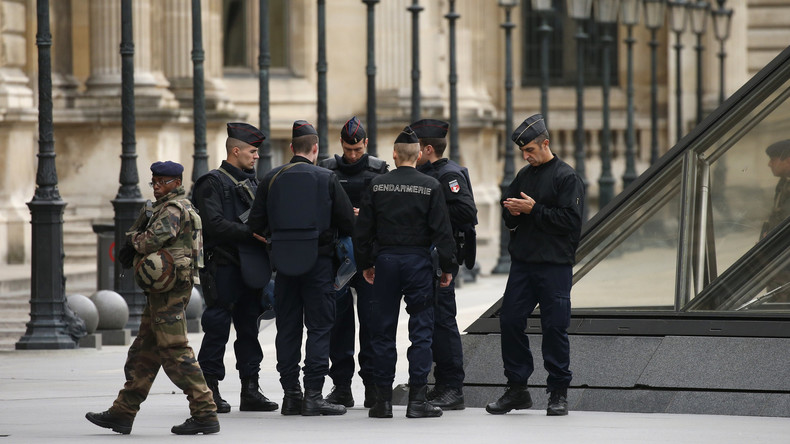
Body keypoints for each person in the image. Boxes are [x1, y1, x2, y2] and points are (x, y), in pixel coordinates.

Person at [86, 161, 219, 435]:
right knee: (144, 351)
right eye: (154, 181)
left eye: (163, 182)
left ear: (177, 182)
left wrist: (132, 242)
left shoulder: (172, 209)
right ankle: (123, 411)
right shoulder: (173, 206)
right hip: (163, 289)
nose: (157, 186)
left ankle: (205, 412)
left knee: (174, 350)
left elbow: (150, 241)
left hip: (169, 290)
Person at [248, 120, 355, 416]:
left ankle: (291, 395)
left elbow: (255, 224)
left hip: (283, 265)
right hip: (319, 264)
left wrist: (277, 237)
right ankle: (313, 395)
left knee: (288, 329)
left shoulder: (271, 178)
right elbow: (348, 222)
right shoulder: (326, 178)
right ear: (316, 149)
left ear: (292, 148)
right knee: (320, 328)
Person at [354, 126, 457, 419]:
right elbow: (442, 232)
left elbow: (363, 232)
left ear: (395, 155)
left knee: (382, 332)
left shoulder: (377, 184)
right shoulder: (431, 186)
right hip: (418, 263)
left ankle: (383, 402)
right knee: (421, 331)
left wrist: (366, 265)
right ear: (417, 155)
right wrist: (448, 267)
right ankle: (417, 400)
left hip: (386, 262)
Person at [485, 114, 584, 417]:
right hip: (524, 265)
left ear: (546, 143)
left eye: (530, 150)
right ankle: (517, 389)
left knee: (554, 327)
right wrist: (513, 212)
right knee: (510, 321)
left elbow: (570, 223)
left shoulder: (566, 177)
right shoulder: (525, 176)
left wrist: (533, 209)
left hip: (554, 266)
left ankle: (558, 393)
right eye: (523, 152)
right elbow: (509, 210)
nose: (526, 156)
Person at [192, 122, 278, 414]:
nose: (256, 157)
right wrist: (250, 233)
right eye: (252, 151)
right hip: (224, 266)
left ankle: (250, 389)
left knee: (249, 329)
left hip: (250, 267)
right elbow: (213, 225)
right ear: (235, 150)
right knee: (217, 327)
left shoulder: (254, 182)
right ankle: (209, 390)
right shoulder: (211, 183)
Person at [318, 116, 388, 408]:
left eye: (357, 149)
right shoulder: (326, 169)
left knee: (372, 324)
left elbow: (389, 211)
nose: (352, 155)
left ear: (366, 144)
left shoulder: (379, 169)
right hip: (338, 257)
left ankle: (372, 386)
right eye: (348, 149)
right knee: (339, 325)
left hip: (369, 255)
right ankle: (342, 386)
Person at [412, 118, 477, 411]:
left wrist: (432, 203)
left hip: (441, 259)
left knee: (443, 323)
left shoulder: (448, 174)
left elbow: (466, 211)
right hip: (428, 258)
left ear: (427, 149)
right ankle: (441, 384)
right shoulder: (427, 173)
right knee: (433, 322)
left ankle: (452, 387)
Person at [760, 139, 790, 301]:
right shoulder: (783, 184)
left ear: (788, 160)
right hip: (778, 257)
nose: (769, 164)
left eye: (773, 159)